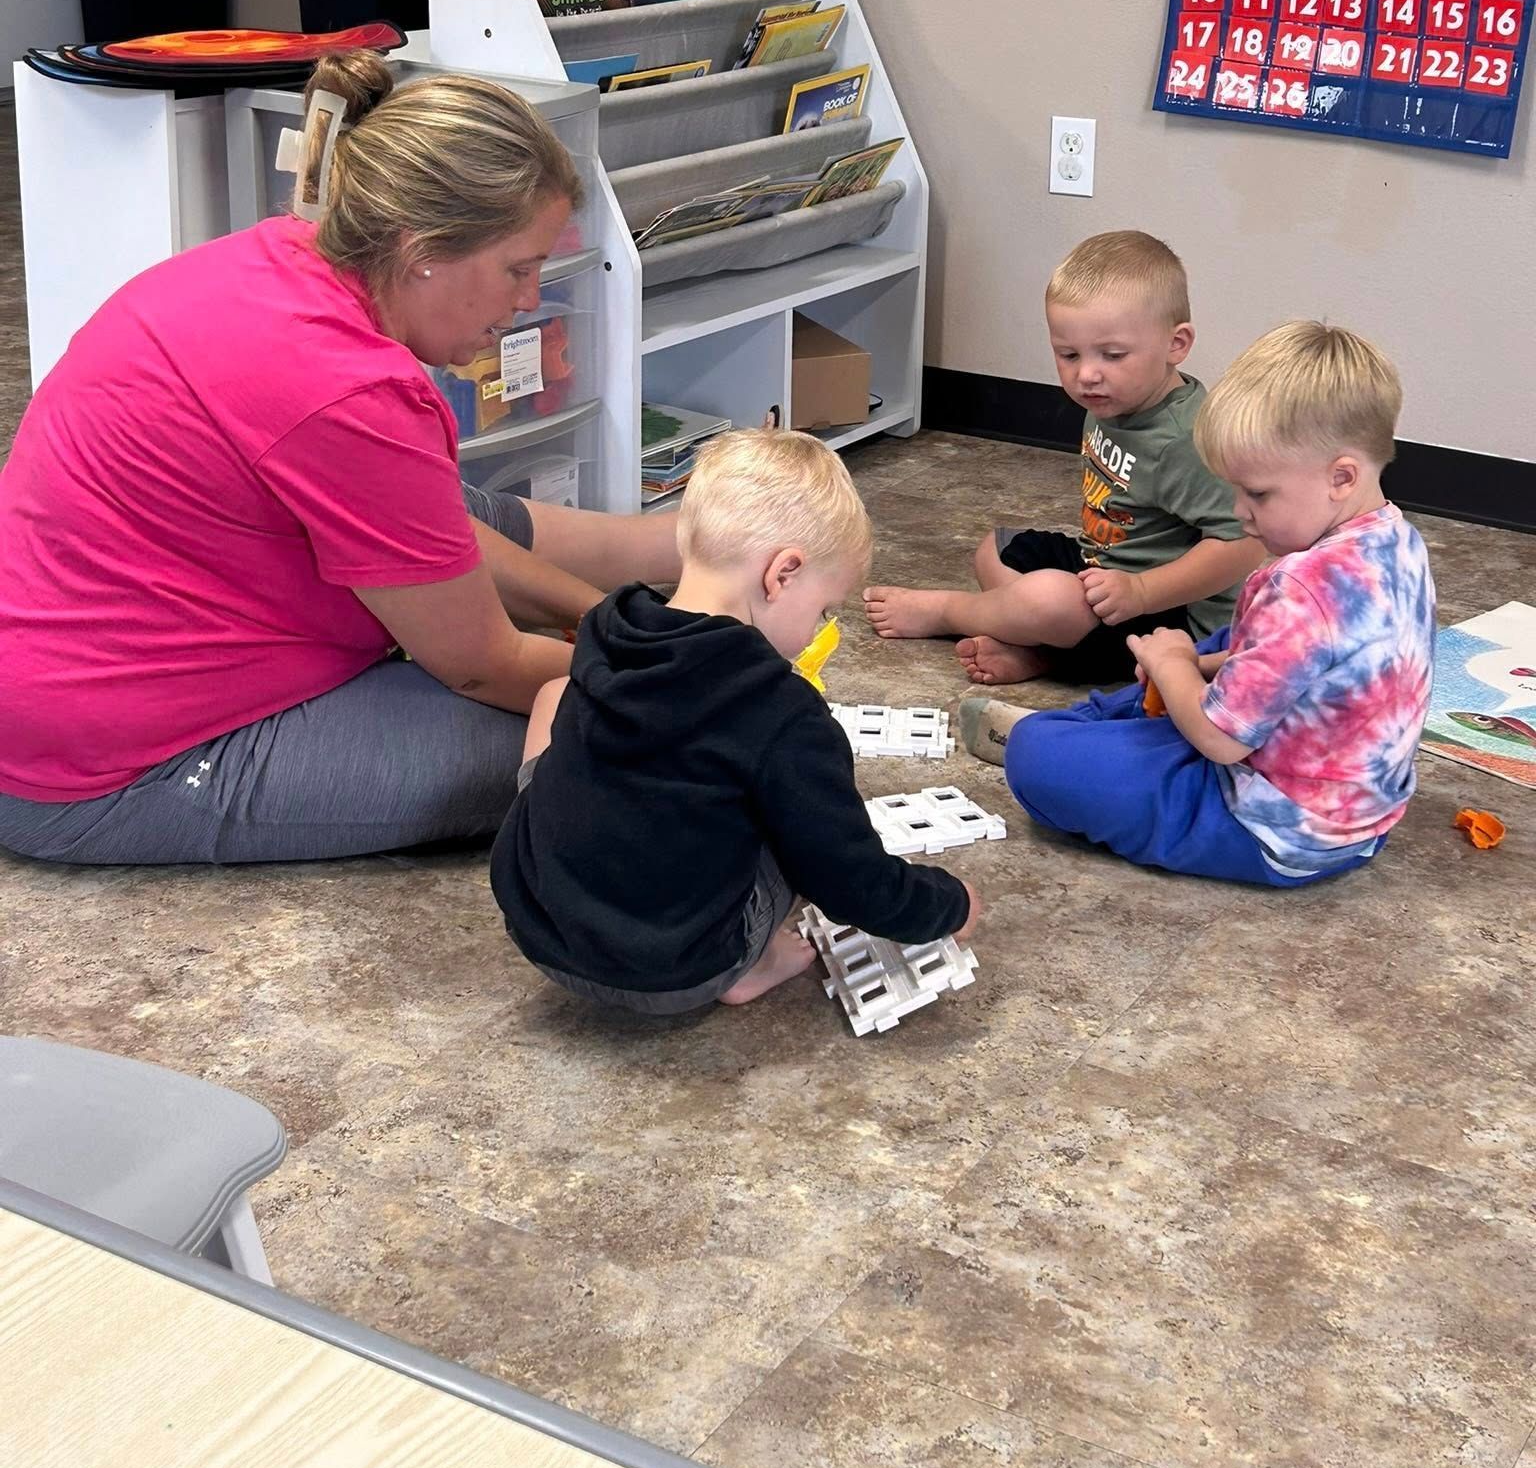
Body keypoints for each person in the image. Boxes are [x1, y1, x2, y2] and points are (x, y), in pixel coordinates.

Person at [0, 53, 678, 865]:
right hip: (107, 765)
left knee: (448, 509)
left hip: (73, 669)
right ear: (424, 249)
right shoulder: (348, 391)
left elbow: (433, 530)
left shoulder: (286, 257)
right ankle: (682, 593)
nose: (530, 300)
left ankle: (684, 549)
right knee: (627, 746)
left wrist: (605, 620)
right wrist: (674, 688)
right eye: (518, 268)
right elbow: (480, 664)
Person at [491, 429, 979, 1013]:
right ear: (783, 574)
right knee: (794, 822)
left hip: (542, 935)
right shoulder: (781, 710)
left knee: (557, 701)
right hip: (679, 973)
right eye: (823, 610)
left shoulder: (610, 629)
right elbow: (849, 878)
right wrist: (949, 906)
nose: (817, 629)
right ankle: (751, 965)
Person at [959, 322, 1436, 888]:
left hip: (1273, 831)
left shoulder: (1304, 590)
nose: (1240, 513)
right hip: (1357, 820)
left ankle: (1082, 729)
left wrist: (1174, 666)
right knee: (1208, 643)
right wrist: (1194, 662)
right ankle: (1119, 719)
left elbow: (1220, 739)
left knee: (1037, 755)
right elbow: (1303, 666)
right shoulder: (1398, 539)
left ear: (1341, 477)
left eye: (1257, 494)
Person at [866, 229, 1264, 686]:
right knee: (995, 550)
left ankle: (954, 613)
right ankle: (1043, 646)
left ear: (1177, 344)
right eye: (1068, 354)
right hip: (1103, 571)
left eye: (1113, 355)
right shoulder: (1113, 400)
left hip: (1168, 614)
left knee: (1049, 601)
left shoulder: (1189, 438)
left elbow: (1242, 545)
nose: (1087, 375)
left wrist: (1140, 591)